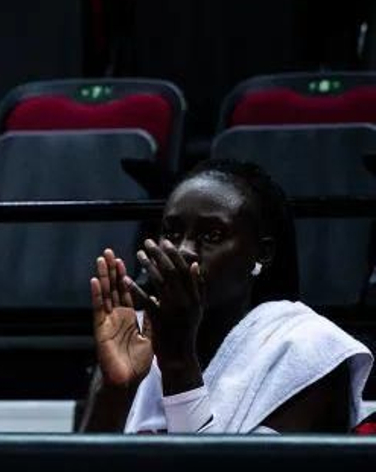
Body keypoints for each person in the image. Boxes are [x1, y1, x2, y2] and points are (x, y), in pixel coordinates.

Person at [81, 159, 373, 433]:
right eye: (171, 232)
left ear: (262, 253)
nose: (182, 250)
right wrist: (113, 390)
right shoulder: (137, 337)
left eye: (212, 236)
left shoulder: (308, 350)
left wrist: (178, 363)